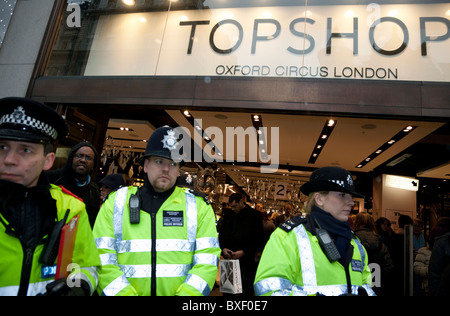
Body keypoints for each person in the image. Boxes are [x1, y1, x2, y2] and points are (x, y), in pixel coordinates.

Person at [93, 126, 220, 296]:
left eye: (173, 163)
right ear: (146, 165)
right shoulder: (115, 203)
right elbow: (101, 258)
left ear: (178, 170)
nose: (166, 169)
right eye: (159, 161)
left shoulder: (198, 207)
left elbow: (207, 262)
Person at [0, 97, 100, 296]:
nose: (9, 159)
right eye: (2, 147)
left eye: (26, 150)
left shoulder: (71, 209)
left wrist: (78, 287)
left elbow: (87, 265)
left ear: (48, 160)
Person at [254, 166, 375, 296]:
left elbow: (366, 287)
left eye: (351, 196)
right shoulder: (287, 237)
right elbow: (268, 290)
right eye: (342, 195)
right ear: (319, 199)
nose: (351, 202)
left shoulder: (355, 243)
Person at [219, 192, 264, 296]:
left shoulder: (254, 215)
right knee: (228, 291)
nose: (233, 209)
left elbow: (258, 239)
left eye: (234, 206)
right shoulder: (228, 215)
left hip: (246, 260)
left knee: (245, 291)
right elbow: (222, 234)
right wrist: (223, 248)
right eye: (231, 207)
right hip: (229, 258)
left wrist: (244, 252)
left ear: (241, 202)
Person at [47, 142, 101, 228]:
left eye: (88, 158)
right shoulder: (51, 179)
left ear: (93, 165)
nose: (83, 160)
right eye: (79, 155)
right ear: (71, 158)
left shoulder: (94, 190)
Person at [353, 212, 394, 296]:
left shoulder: (351, 241)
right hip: (376, 284)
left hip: (355, 284)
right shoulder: (380, 242)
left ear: (356, 222)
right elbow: (389, 267)